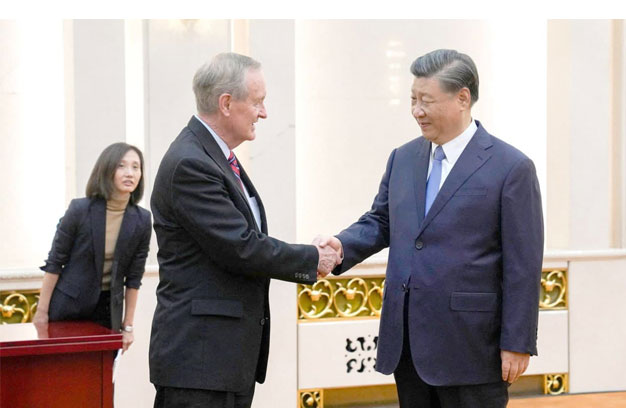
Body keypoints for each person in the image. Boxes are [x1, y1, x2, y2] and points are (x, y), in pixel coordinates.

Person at [315, 49, 544, 408]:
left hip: (473, 347)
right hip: (408, 344)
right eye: (413, 100)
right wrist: (342, 245)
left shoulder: (511, 168)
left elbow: (523, 265)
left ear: (462, 98)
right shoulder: (403, 157)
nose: (416, 111)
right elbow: (382, 220)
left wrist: (517, 342)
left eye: (426, 101)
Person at [149, 52, 340, 408]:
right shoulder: (191, 162)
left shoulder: (212, 155)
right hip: (200, 361)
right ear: (226, 103)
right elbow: (240, 246)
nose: (263, 113)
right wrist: (313, 258)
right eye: (257, 102)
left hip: (223, 359)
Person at [33, 142, 152, 353]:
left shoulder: (142, 220)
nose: (130, 173)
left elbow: (134, 278)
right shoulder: (80, 210)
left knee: (101, 373)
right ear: (107, 169)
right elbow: (55, 263)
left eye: (136, 167)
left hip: (108, 313)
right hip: (68, 309)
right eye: (122, 166)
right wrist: (42, 312)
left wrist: (128, 326)